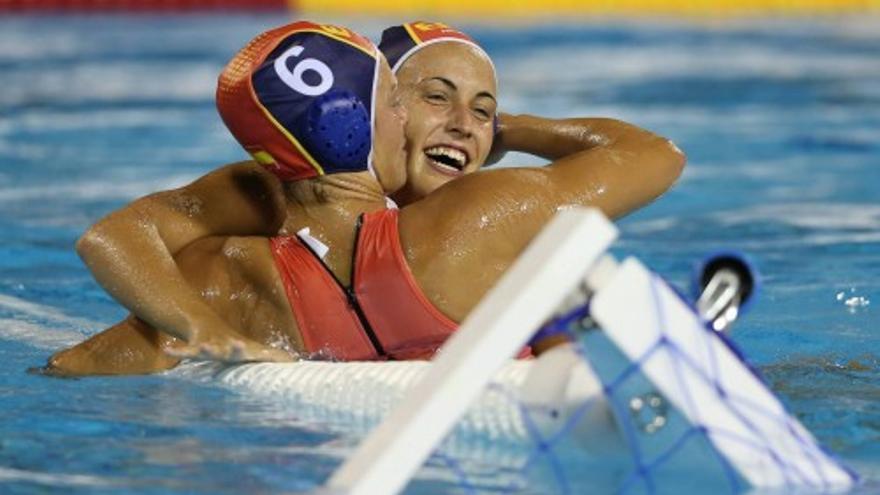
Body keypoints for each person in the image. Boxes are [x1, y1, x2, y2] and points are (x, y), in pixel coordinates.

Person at [46, 21, 685, 375]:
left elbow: (72, 371)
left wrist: (494, 126)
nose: (465, 123)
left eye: (484, 110)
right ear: (386, 112)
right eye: (432, 99)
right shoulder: (493, 211)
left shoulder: (228, 273)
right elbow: (657, 156)